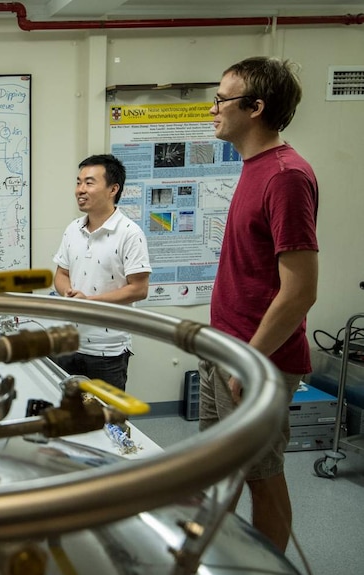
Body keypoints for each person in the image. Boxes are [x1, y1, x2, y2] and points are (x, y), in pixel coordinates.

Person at [199, 56, 319, 552]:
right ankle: (213, 557)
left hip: (256, 359)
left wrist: (252, 360)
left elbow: (300, 290)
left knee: (261, 475)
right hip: (226, 349)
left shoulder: (286, 176)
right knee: (218, 467)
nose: (214, 109)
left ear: (255, 107)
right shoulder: (254, 168)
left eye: (222, 99)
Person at [52, 154, 152, 390]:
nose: (80, 190)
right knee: (69, 415)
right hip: (69, 344)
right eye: (78, 182)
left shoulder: (129, 233)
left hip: (107, 350)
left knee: (107, 419)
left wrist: (90, 302)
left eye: (89, 182)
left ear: (112, 189)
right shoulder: (72, 229)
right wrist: (68, 292)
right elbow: (61, 274)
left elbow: (139, 289)